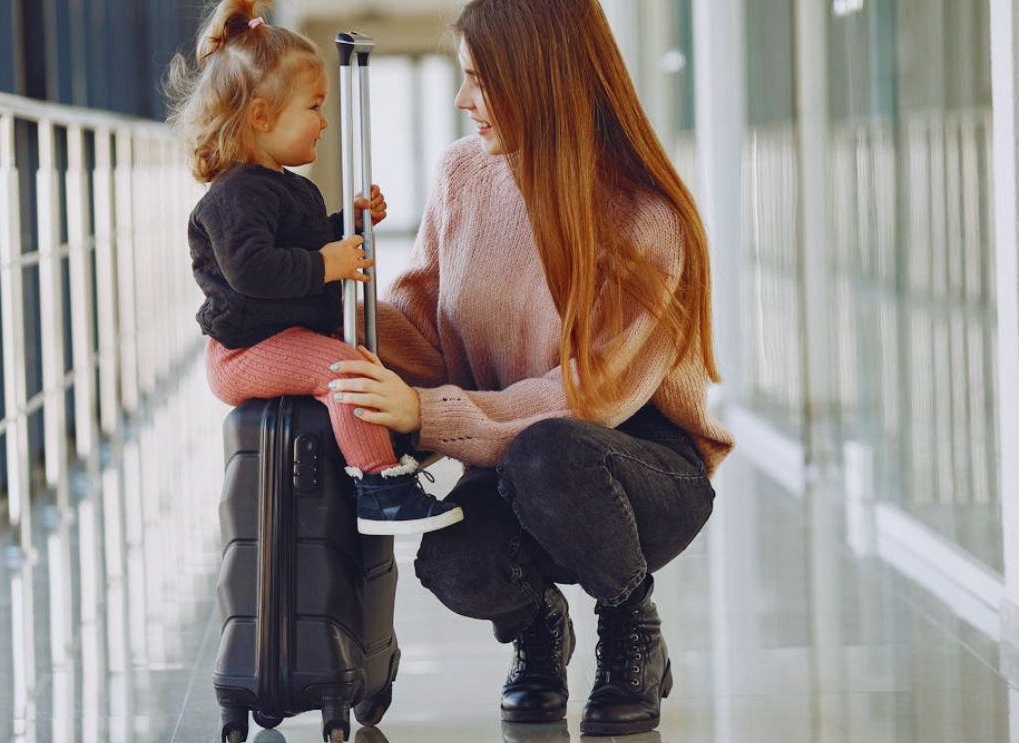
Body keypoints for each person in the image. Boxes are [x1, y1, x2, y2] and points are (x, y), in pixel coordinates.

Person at [327, 0, 734, 735]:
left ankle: (629, 627)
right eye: (461, 79)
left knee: (553, 452)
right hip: (514, 461)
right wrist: (336, 294)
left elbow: (589, 398)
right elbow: (421, 329)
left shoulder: (645, 216)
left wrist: (430, 415)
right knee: (452, 562)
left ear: (538, 77)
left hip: (637, 470)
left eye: (480, 81)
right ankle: (538, 629)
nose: (462, 101)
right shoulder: (462, 173)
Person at [167, 0, 463, 536]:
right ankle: (380, 488)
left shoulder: (285, 185)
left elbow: (297, 245)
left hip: (288, 330)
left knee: (384, 334)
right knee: (341, 369)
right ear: (261, 117)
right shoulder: (233, 195)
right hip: (246, 351)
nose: (324, 121)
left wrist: (343, 224)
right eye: (314, 107)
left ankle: (425, 422)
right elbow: (253, 270)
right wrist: (328, 263)